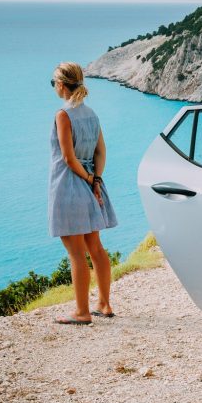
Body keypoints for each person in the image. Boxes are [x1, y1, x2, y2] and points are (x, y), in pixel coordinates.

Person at [48, 62, 118, 324]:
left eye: (53, 83)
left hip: (69, 186)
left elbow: (68, 158)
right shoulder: (91, 114)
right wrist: (96, 180)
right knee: (95, 247)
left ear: (61, 85)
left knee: (76, 253)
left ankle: (82, 312)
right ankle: (104, 304)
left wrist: (88, 179)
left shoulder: (63, 115)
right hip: (91, 185)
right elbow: (101, 152)